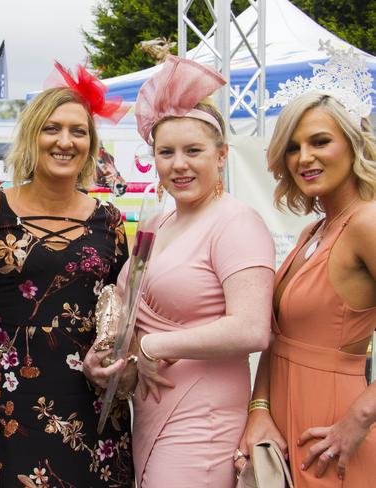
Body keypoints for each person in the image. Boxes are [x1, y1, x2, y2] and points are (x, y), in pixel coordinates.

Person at [85, 55, 275, 487]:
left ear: (222, 155)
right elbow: (121, 298)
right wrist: (112, 352)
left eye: (194, 151)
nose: (179, 164)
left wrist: (152, 345)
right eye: (166, 153)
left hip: (202, 415)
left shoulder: (237, 223)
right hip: (149, 411)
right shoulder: (156, 222)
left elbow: (251, 329)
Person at [0, 64, 134, 487]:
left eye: (78, 131)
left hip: (94, 418)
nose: (65, 141)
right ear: (32, 135)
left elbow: (124, 315)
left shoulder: (109, 220)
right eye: (52, 128)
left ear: (91, 144)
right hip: (9, 411)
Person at [237, 48, 376, 486]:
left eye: (320, 141)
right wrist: (259, 412)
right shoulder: (313, 232)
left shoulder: (368, 223)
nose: (303, 158)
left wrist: (360, 416)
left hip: (333, 431)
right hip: (282, 422)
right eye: (293, 147)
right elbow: (279, 339)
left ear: (353, 145)